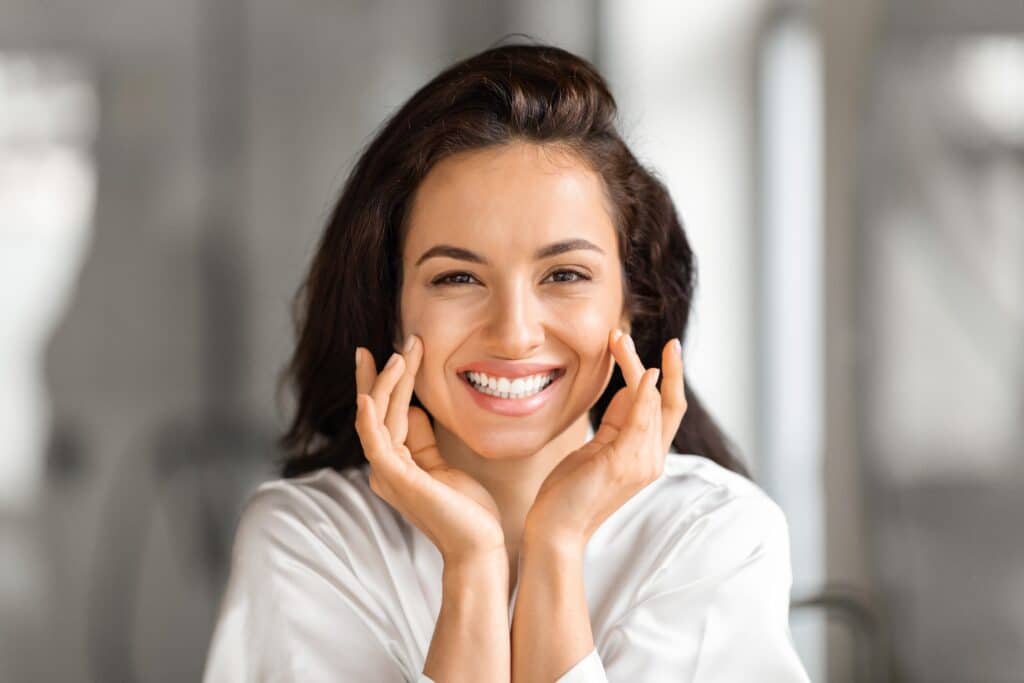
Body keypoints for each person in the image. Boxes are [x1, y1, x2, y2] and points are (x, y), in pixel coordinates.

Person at [202, 41, 810, 682]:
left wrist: (557, 545)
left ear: (633, 307)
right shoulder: (310, 541)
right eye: (458, 279)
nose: (514, 334)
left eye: (566, 274)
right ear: (392, 307)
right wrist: (473, 564)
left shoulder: (713, 536)